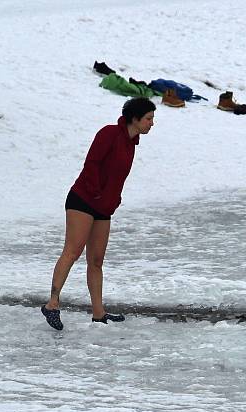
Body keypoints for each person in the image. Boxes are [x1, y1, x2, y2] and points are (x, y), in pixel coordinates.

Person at [41, 97, 155, 330]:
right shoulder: (109, 134)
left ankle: (98, 313)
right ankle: (52, 303)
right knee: (73, 251)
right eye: (148, 119)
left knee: (96, 260)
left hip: (103, 207)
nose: (152, 124)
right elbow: (91, 165)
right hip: (83, 200)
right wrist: (95, 194)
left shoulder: (131, 144)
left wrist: (114, 199)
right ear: (135, 118)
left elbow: (117, 177)